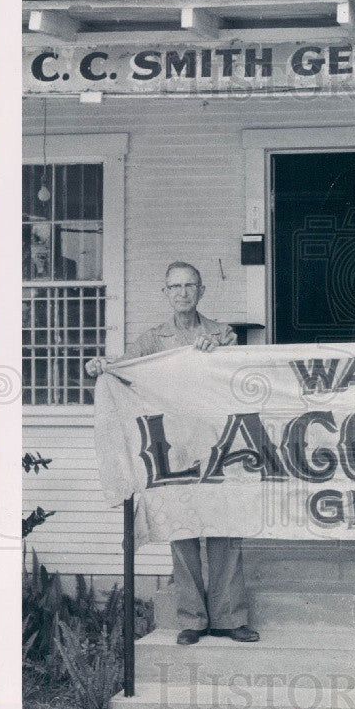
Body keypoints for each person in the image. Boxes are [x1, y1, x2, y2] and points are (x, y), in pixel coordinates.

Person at [86, 261, 259, 648]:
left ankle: (231, 618)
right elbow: (124, 367)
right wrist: (102, 365)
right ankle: (192, 618)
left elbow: (243, 373)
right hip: (173, 450)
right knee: (181, 530)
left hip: (219, 446)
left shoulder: (222, 334)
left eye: (189, 285)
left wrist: (219, 352)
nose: (182, 292)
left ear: (201, 291)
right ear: (165, 294)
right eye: (174, 286)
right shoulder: (153, 339)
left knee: (224, 530)